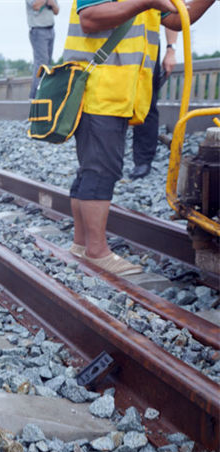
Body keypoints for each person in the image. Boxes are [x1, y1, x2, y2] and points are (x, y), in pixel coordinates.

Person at [63, 0, 214, 275]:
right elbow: (90, 18)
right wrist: (146, 2)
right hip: (97, 91)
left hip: (119, 94)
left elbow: (179, 19)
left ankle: (81, 245)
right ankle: (96, 252)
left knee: (92, 169)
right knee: (101, 170)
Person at [128, 27, 179, 180]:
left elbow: (173, 11)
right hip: (112, 44)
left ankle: (143, 161)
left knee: (147, 102)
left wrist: (171, 50)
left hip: (146, 46)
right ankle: (105, 160)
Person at [26, 0, 60, 99]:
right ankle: (35, 96)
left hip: (50, 29)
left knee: (48, 63)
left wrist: (52, 4)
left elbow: (56, 11)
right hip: (38, 30)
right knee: (41, 63)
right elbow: (35, 5)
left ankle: (45, 93)